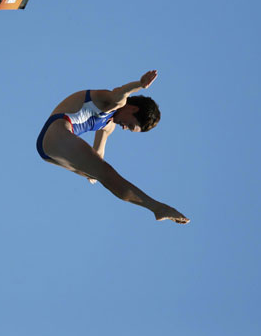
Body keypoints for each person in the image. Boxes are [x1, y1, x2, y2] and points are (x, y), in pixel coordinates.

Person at [36, 70, 190, 224]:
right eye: (130, 125)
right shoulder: (111, 102)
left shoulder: (109, 126)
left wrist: (92, 173)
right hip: (57, 131)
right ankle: (157, 208)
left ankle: (156, 208)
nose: (124, 128)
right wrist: (139, 84)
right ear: (133, 109)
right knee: (107, 174)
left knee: (104, 176)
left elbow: (98, 152)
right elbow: (121, 92)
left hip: (49, 151)